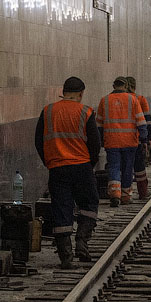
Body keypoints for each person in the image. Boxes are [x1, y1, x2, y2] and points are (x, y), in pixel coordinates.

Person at [35, 76, 101, 268]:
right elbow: (95, 143)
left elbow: (38, 141)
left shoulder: (48, 111)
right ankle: (82, 241)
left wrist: (49, 161)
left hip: (57, 168)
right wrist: (90, 164)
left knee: (61, 207)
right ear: (80, 94)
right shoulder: (86, 112)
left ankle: (65, 255)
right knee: (89, 203)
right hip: (81, 166)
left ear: (63, 93)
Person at [96, 77, 145, 208]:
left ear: (113, 85)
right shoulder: (133, 99)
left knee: (114, 167)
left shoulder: (104, 100)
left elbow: (99, 124)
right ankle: (125, 195)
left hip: (111, 141)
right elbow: (141, 121)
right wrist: (144, 138)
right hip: (130, 142)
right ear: (125, 86)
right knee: (128, 168)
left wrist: (100, 140)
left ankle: (114, 194)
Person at [125, 76, 151, 201]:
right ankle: (143, 192)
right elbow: (147, 122)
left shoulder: (116, 99)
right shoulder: (140, 99)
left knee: (124, 167)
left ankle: (123, 194)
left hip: (120, 140)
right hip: (136, 139)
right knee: (139, 167)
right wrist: (148, 139)